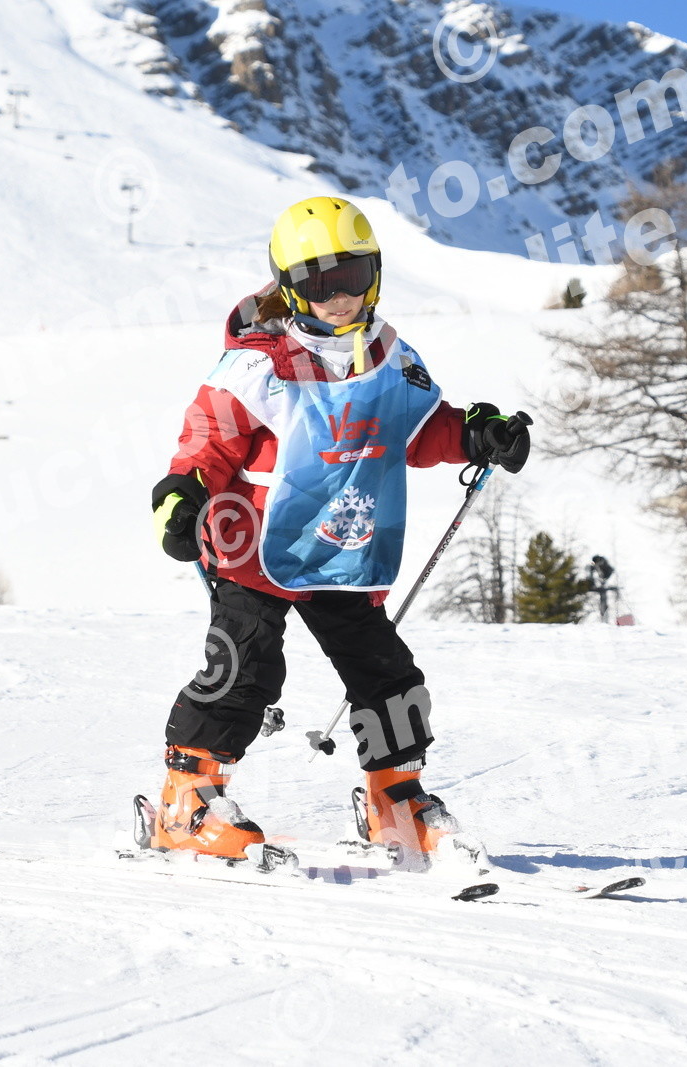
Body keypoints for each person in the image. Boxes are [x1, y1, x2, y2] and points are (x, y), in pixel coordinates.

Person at [147, 196, 531, 862]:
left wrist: (475, 433)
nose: (338, 297)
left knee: (388, 674)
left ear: (373, 276)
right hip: (254, 546)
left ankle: (395, 799)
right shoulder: (259, 363)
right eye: (319, 283)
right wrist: (182, 495)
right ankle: (186, 802)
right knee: (245, 665)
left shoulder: (387, 355)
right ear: (290, 286)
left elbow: (418, 429)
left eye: (352, 277)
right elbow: (208, 439)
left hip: (342, 548)